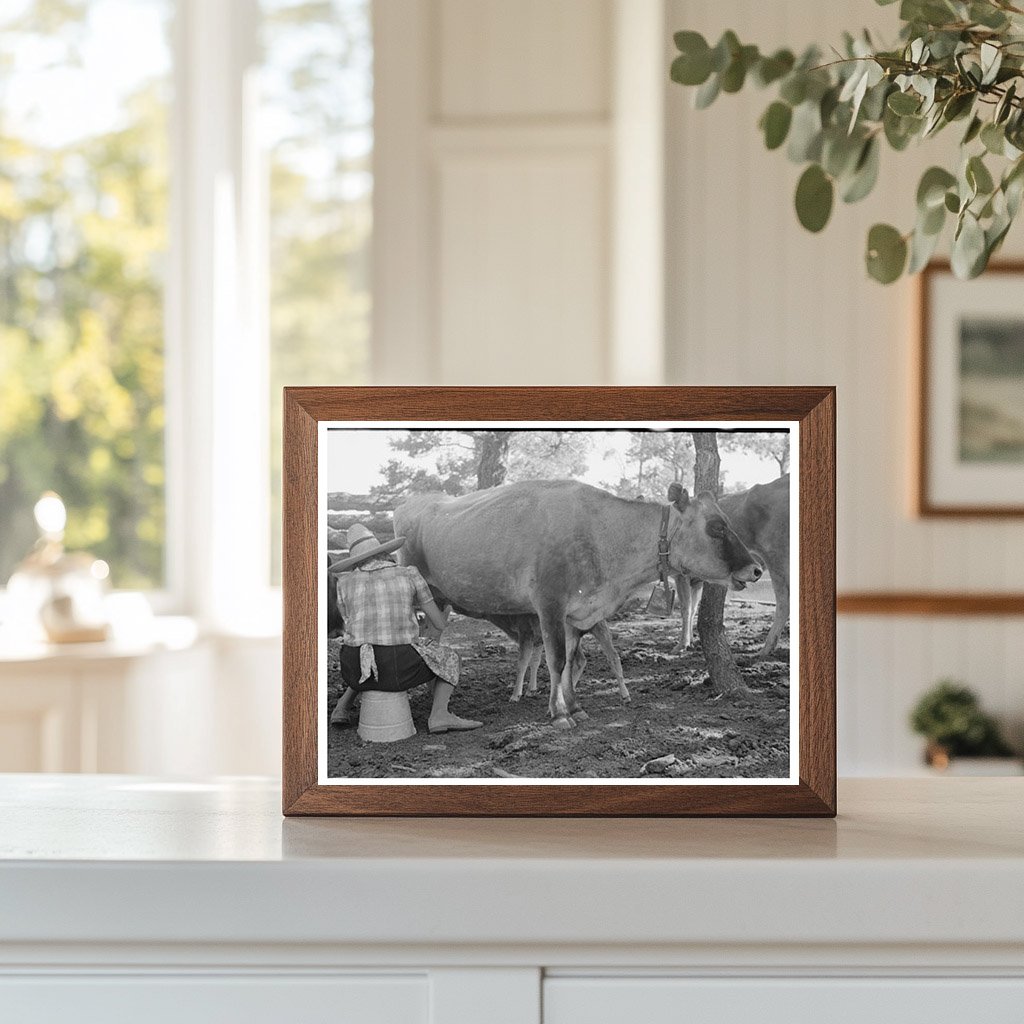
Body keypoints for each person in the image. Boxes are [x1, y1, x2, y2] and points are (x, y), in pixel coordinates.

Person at [329, 523, 481, 734]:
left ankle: (342, 706)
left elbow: (351, 625)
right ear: (384, 552)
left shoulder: (344, 583)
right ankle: (439, 714)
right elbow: (438, 623)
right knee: (450, 657)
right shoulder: (409, 574)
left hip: (352, 668)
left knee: (368, 650)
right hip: (398, 668)